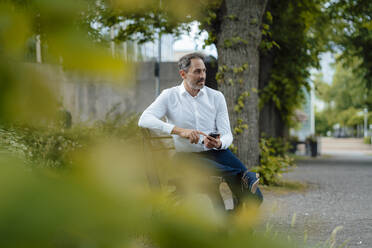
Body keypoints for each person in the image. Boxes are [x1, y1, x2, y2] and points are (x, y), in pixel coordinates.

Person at [138, 52, 263, 212]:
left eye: (204, 71)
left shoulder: (216, 97)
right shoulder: (170, 96)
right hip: (186, 156)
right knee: (238, 174)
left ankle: (239, 210)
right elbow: (144, 119)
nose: (202, 75)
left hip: (215, 152)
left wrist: (219, 143)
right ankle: (241, 195)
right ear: (183, 74)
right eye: (197, 71)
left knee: (256, 197)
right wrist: (179, 131)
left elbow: (227, 134)